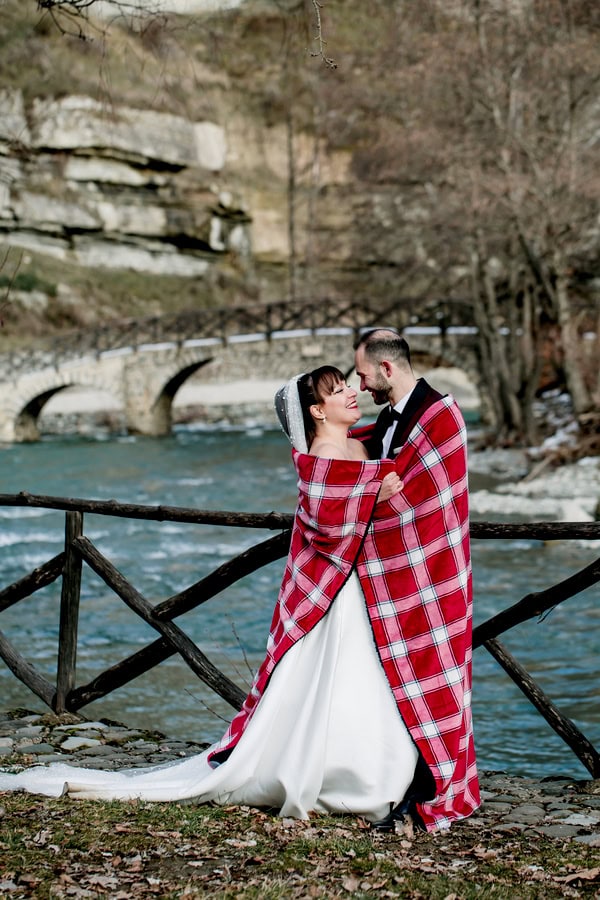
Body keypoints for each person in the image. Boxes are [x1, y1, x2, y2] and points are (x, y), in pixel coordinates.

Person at [0, 366, 429, 828]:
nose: (350, 393)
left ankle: (374, 769)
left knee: (366, 677)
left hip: (364, 580)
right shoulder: (323, 451)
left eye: (347, 384)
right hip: (334, 589)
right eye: (337, 390)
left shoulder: (361, 444)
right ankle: (332, 774)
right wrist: (375, 491)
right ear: (317, 410)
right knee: (335, 677)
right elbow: (326, 519)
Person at [351, 327, 480, 829]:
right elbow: (376, 479)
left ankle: (432, 790)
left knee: (436, 678)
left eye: (362, 374)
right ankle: (399, 783)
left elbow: (425, 498)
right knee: (397, 682)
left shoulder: (440, 417)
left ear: (386, 369)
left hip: (435, 574)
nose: (359, 385)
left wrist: (367, 498)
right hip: (397, 580)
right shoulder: (386, 421)